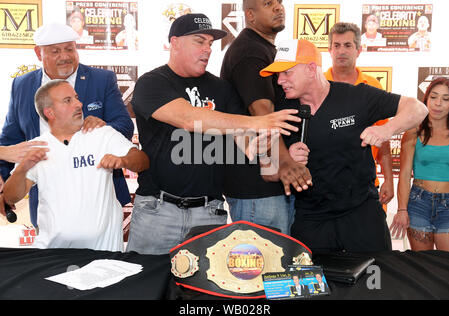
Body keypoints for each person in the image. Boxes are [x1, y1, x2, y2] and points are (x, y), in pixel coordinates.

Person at [126, 13, 311, 255]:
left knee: (204, 291)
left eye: (210, 44)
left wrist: (282, 160)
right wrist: (261, 121)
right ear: (174, 43)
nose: (207, 50)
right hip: (158, 210)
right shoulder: (152, 82)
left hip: (208, 213)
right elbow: (189, 119)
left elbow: (246, 144)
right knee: (145, 287)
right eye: (199, 41)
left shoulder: (221, 89)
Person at [260, 39, 428, 252]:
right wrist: (285, 163)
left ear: (311, 69)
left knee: (375, 282)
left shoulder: (356, 96)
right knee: (314, 284)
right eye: (277, 75)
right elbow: (266, 171)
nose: (279, 80)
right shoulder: (279, 110)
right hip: (312, 219)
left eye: (286, 73)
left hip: (361, 215)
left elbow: (418, 109)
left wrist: (386, 130)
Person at [0, 22, 134, 227]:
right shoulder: (22, 85)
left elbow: (124, 125)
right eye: (55, 51)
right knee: (51, 256)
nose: (65, 56)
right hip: (46, 196)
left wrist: (103, 127)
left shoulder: (101, 79)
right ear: (38, 53)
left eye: (70, 49)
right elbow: (11, 140)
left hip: (97, 195)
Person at [1, 80, 149, 251]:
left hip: (105, 253)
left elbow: (142, 161)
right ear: (50, 112)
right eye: (68, 100)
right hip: (53, 255)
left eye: (76, 98)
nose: (79, 104)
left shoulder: (102, 134)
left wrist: (123, 161)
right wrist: (22, 168)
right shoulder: (36, 147)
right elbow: (10, 198)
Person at [220, 0, 309, 235]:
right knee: (263, 267)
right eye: (268, 3)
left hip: (271, 184)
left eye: (279, 2)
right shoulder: (250, 51)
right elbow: (263, 112)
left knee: (278, 266)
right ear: (250, 14)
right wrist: (284, 162)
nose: (278, 8)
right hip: (257, 189)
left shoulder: (264, 49)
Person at [324, 22, 394, 206]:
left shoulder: (373, 87)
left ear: (358, 50)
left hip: (366, 187)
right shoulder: (317, 86)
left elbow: (383, 138)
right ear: (329, 50)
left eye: (348, 45)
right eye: (336, 46)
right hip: (324, 187)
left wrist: (389, 178)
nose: (341, 51)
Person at [390, 77, 449, 251]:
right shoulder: (413, 131)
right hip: (419, 203)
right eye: (434, 97)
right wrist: (402, 209)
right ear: (426, 99)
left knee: (445, 268)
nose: (438, 103)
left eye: (446, 99)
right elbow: (404, 173)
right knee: (423, 266)